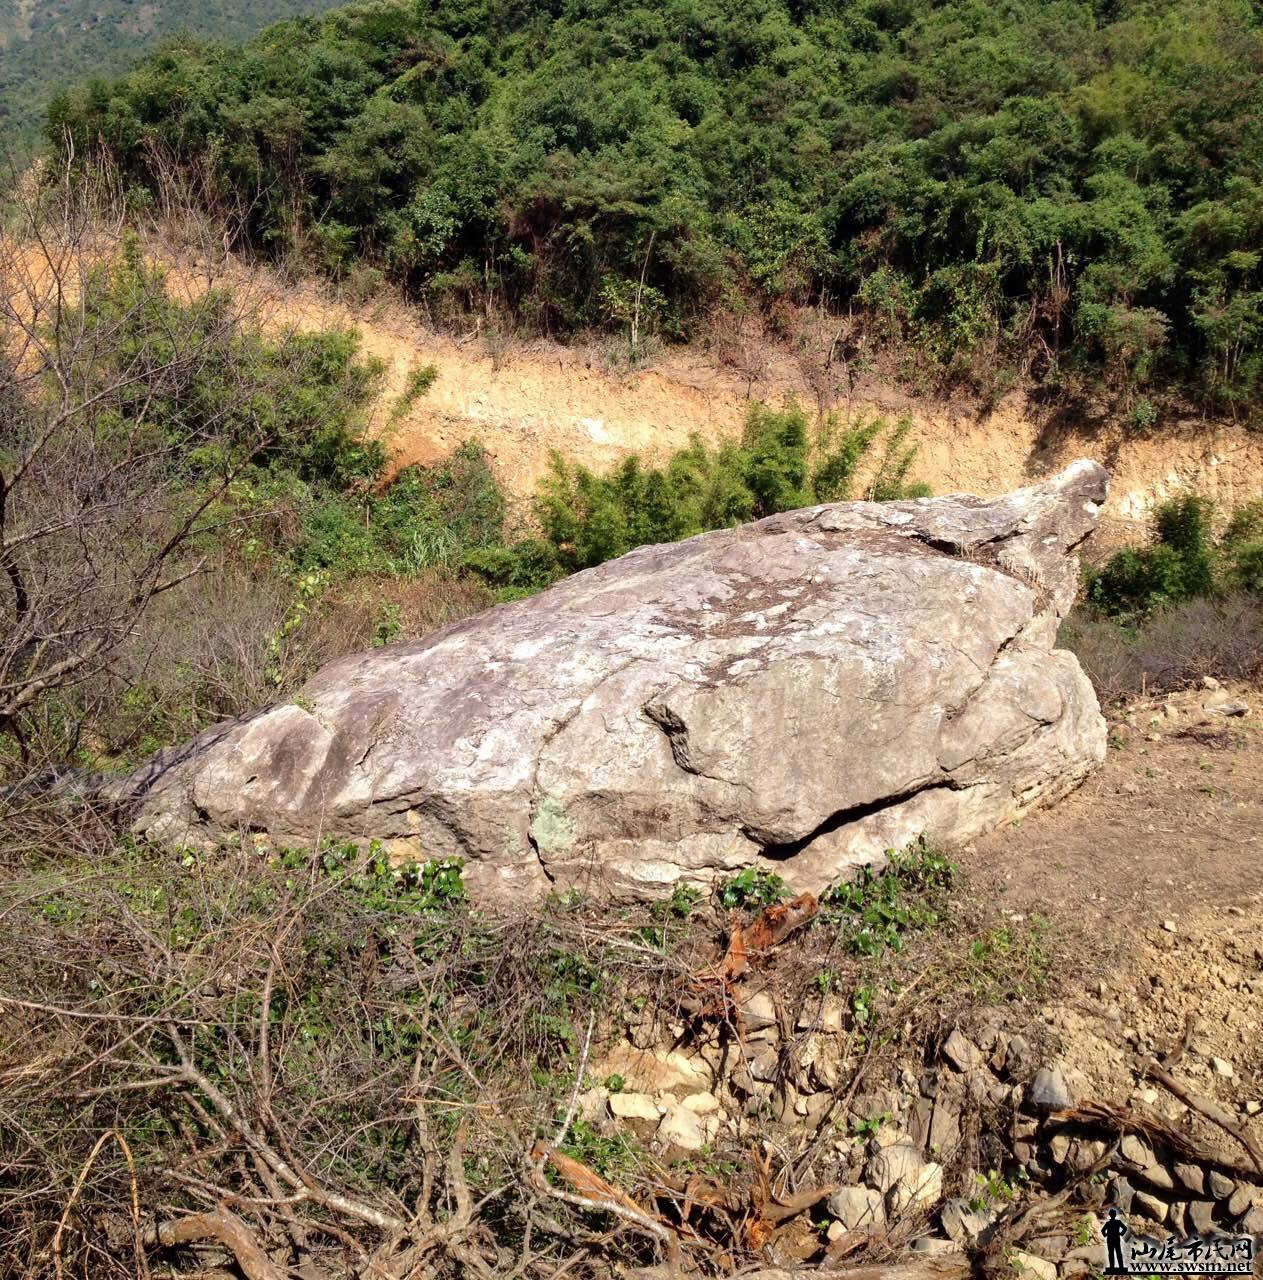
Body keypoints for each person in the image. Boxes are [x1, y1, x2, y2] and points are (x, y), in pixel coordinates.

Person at [1103, 1207, 1129, 1274]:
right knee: (1118, 1253)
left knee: (1111, 1253)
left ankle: (1112, 1267)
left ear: (1110, 1215)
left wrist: (1106, 1235)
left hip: (1110, 1239)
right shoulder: (1118, 1222)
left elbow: (1103, 1231)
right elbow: (1125, 1228)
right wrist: (1121, 1233)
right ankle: (1121, 1267)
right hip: (1116, 1238)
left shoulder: (1108, 1223)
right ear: (1115, 1215)